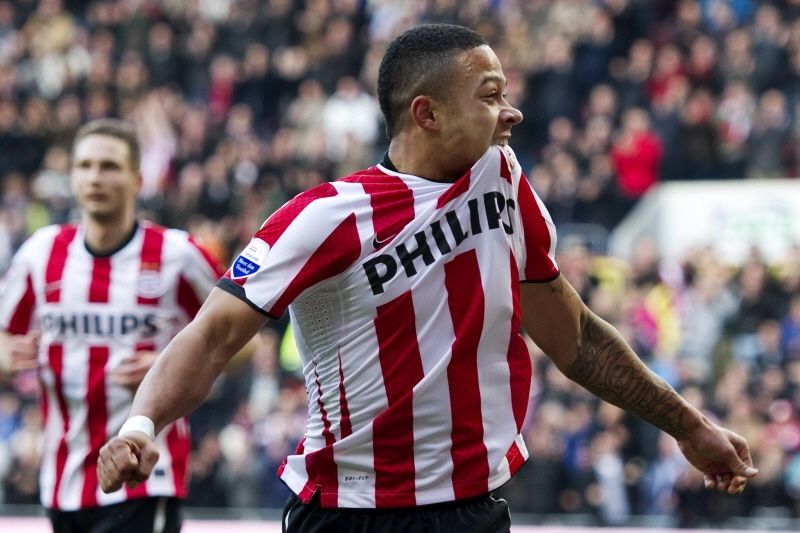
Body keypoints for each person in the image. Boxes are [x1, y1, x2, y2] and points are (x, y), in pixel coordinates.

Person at [97, 25, 757, 532]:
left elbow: (576, 337)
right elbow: (211, 335)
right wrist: (142, 427)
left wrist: (689, 426)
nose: (511, 113)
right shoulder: (327, 217)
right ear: (427, 113)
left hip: (472, 509)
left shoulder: (502, 181)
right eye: (490, 96)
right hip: (351, 514)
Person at [0, 118, 223, 532]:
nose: (95, 177)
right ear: (72, 177)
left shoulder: (178, 254)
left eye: (109, 166)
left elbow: (238, 340)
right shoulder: (40, 253)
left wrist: (169, 364)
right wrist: (6, 359)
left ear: (137, 180)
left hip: (145, 476)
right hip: (62, 479)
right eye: (85, 166)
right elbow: (3, 335)